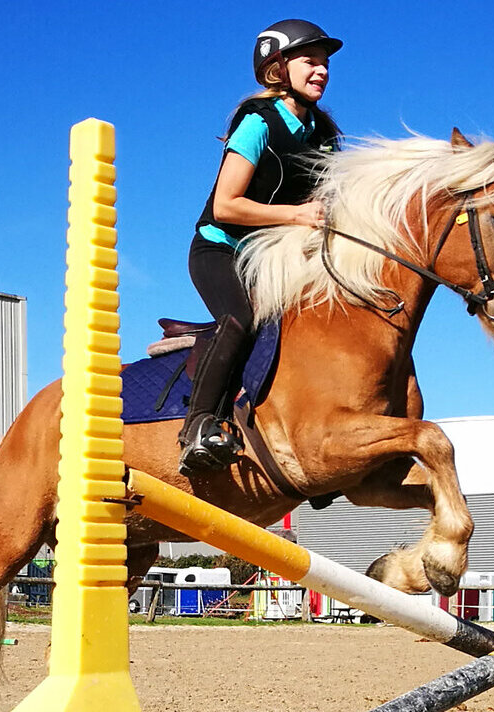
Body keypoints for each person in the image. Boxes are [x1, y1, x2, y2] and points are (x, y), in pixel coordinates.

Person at [179, 19, 344, 473]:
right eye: (311, 61)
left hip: (275, 257)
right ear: (277, 68)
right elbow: (227, 206)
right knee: (240, 319)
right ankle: (198, 426)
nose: (322, 71)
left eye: (326, 63)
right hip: (222, 249)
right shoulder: (258, 122)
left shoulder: (325, 136)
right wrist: (296, 216)